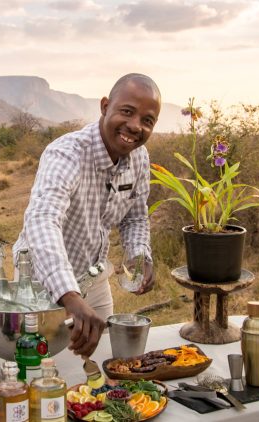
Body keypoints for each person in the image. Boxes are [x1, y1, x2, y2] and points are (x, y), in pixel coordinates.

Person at [13, 73, 160, 357]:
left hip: (93, 279)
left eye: (147, 120)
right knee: (41, 366)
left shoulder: (139, 158)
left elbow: (135, 217)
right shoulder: (67, 154)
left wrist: (139, 255)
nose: (134, 126)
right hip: (41, 281)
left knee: (99, 362)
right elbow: (43, 220)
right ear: (105, 106)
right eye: (127, 112)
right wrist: (69, 296)